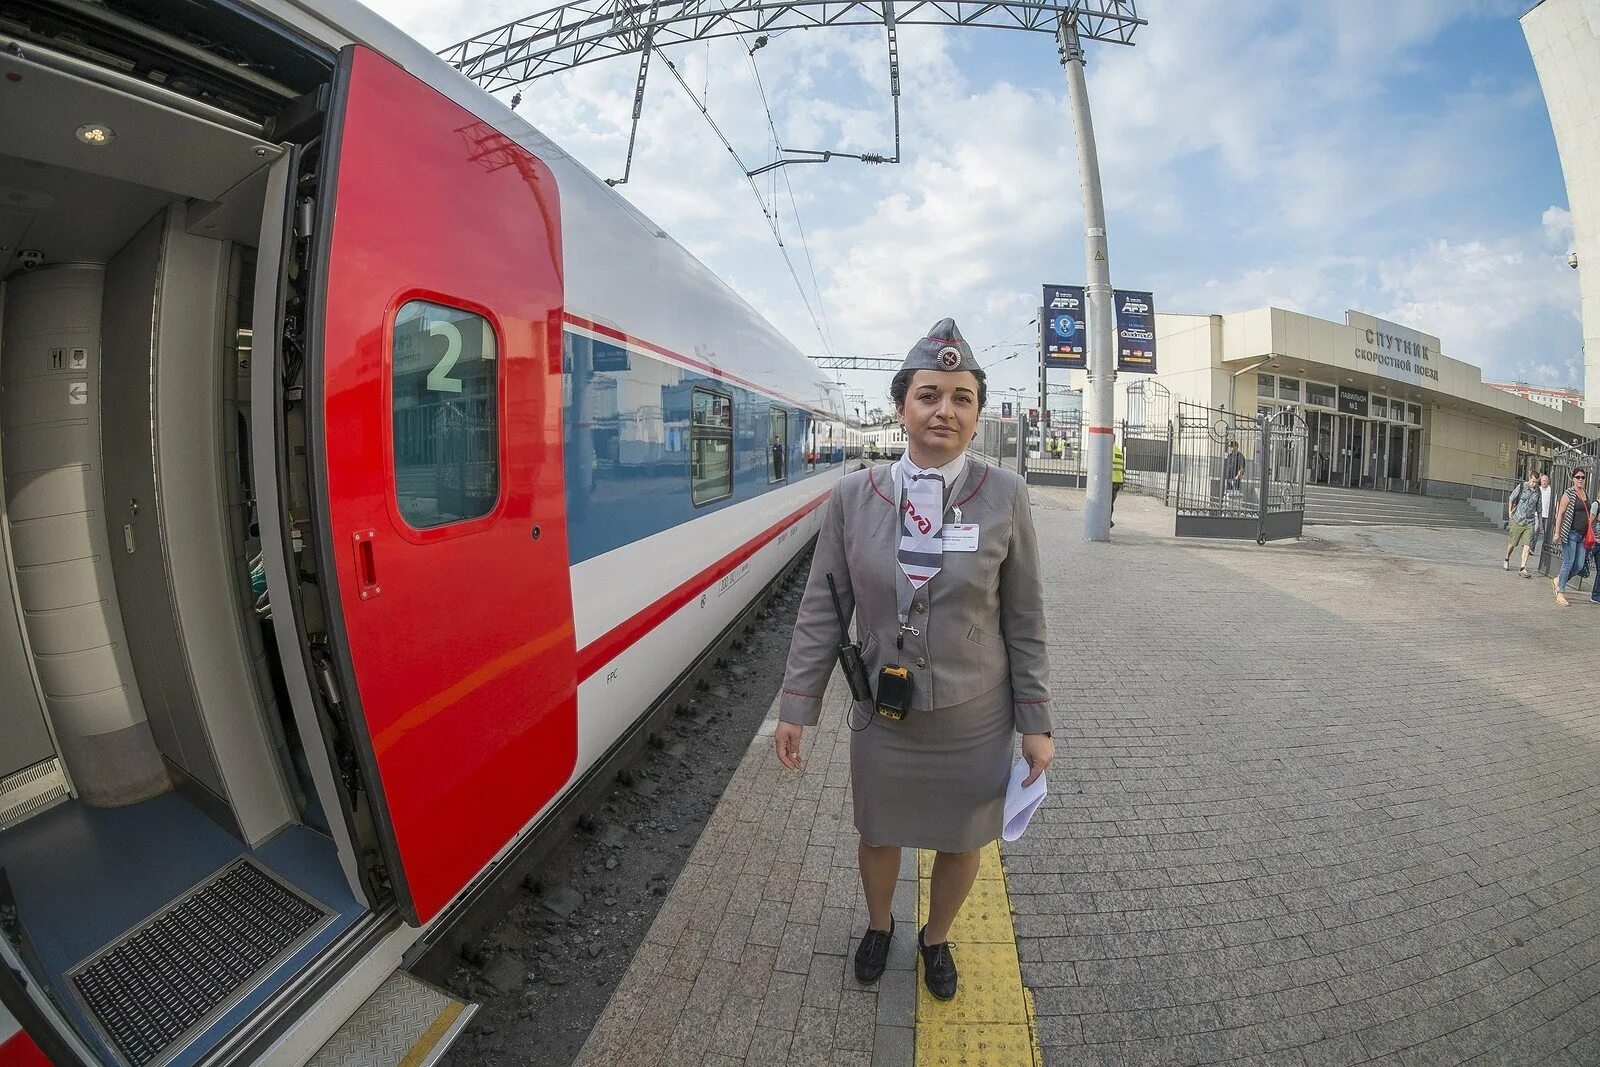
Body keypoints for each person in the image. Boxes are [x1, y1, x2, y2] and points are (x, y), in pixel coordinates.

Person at [772, 318, 1055, 1002]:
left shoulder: (1005, 495)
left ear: (978, 414)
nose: (944, 410)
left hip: (974, 714)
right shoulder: (852, 497)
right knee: (878, 832)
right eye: (929, 394)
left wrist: (1036, 719)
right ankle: (878, 924)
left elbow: (1025, 615)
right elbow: (822, 606)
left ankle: (936, 937)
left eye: (962, 397)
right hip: (883, 709)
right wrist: (797, 705)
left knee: (964, 841)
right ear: (901, 406)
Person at [1552, 469, 1591, 605]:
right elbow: (1560, 514)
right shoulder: (1569, 493)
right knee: (1568, 563)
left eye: (1582, 477)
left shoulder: (1585, 494)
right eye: (1578, 477)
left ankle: (1558, 580)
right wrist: (1557, 533)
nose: (1580, 479)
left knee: (1579, 566)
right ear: (1573, 478)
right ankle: (1560, 592)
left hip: (1582, 536)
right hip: (1570, 534)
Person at [1504, 472, 1540, 577]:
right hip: (1518, 519)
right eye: (1533, 481)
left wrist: (1541, 522)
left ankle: (1523, 568)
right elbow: (1511, 498)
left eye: (1537, 482)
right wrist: (1510, 511)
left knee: (1527, 545)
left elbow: (1539, 508)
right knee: (1513, 543)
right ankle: (1507, 558)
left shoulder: (1538, 492)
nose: (1534, 484)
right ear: (1529, 478)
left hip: (1530, 521)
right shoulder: (1521, 487)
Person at [1535, 472, 1553, 551]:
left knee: (1547, 533)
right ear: (1540, 481)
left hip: (1547, 514)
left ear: (1548, 481)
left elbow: (1555, 502)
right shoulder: (1538, 490)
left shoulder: (1551, 490)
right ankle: (1531, 548)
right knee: (1536, 530)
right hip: (1538, 513)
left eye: (1545, 480)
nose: (1544, 482)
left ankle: (1546, 549)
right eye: (1542, 481)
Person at [1110, 438, 1125, 527]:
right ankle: (1108, 521)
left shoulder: (1108, 449)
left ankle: (1107, 521)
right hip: (1118, 480)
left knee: (1107, 504)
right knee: (1110, 502)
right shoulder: (1118, 449)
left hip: (1110, 481)